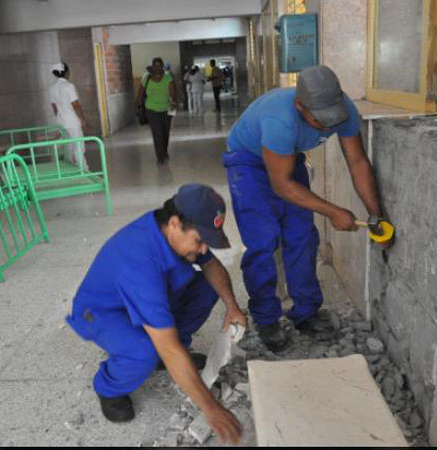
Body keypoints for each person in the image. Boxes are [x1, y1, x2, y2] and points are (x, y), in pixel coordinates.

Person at [222, 65, 393, 352]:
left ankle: (306, 312)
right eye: (319, 121)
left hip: (288, 160)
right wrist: (334, 211)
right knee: (262, 241)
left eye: (332, 120)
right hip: (249, 163)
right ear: (300, 106)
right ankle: (267, 319)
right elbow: (283, 186)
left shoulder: (342, 108)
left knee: (302, 236)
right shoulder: (280, 118)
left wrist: (376, 216)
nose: (327, 127)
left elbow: (358, 162)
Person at [66, 184, 247, 444]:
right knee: (146, 351)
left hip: (145, 296)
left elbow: (211, 265)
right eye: (200, 241)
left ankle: (167, 359)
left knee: (208, 287)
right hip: (102, 312)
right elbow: (168, 345)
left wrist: (232, 306)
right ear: (175, 224)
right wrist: (211, 408)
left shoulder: (171, 231)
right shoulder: (139, 260)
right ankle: (109, 387)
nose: (204, 249)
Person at [136, 57, 177, 165]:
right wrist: (139, 106)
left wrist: (174, 103)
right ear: (153, 67)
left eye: (160, 65)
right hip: (151, 110)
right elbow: (140, 94)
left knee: (165, 133)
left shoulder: (168, 78)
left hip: (166, 109)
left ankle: (164, 151)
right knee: (157, 133)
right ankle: (160, 156)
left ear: (162, 66)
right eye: (156, 65)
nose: (158, 68)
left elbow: (173, 93)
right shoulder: (146, 78)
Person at [50, 62, 89, 171]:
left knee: (68, 146)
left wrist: (59, 119)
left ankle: (72, 169)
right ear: (66, 72)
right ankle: (84, 170)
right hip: (72, 121)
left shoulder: (52, 88)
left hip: (61, 121)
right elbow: (75, 104)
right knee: (78, 147)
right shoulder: (68, 86)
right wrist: (83, 119)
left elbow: (54, 107)